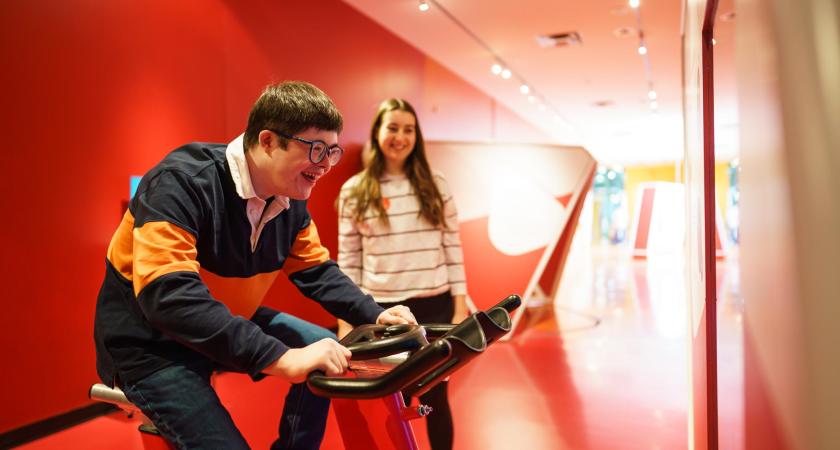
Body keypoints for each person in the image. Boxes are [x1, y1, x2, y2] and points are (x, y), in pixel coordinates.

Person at [93, 81, 417, 450]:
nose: (326, 164)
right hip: (150, 343)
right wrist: (279, 357)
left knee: (329, 348)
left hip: (225, 317)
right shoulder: (181, 183)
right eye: (315, 149)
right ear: (267, 141)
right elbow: (170, 298)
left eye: (332, 151)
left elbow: (317, 272)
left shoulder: (290, 200)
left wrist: (374, 314)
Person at [336, 98, 468, 450]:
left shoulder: (436, 185)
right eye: (392, 127)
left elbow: (453, 248)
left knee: (437, 398)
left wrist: (458, 308)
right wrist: (345, 320)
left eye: (408, 129)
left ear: (417, 136)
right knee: (389, 402)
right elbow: (348, 261)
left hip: (435, 307)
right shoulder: (355, 191)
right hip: (383, 313)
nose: (400, 136)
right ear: (377, 132)